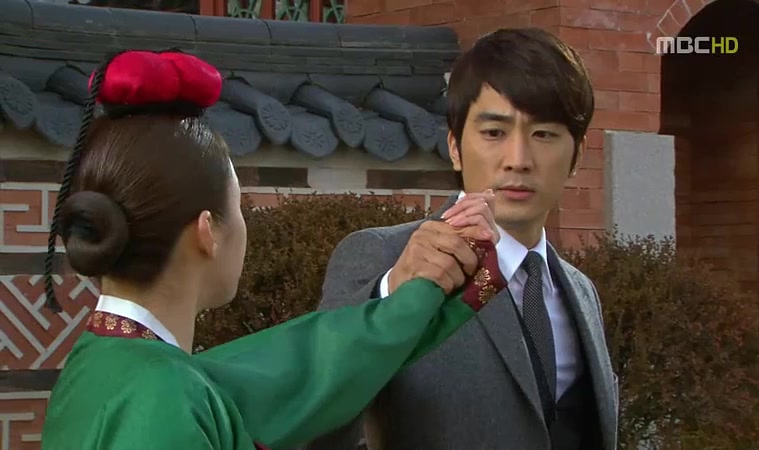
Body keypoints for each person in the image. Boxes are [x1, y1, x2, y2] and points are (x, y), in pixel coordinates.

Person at [39, 49, 507, 450]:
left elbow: (285, 370)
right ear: (207, 232)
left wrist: (411, 296)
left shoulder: (101, 359)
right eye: (238, 206)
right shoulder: (163, 397)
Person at [307, 27, 619, 450]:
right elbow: (313, 424)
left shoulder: (581, 291)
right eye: (494, 133)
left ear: (577, 155)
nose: (518, 160)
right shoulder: (385, 258)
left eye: (544, 134)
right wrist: (389, 298)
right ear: (454, 147)